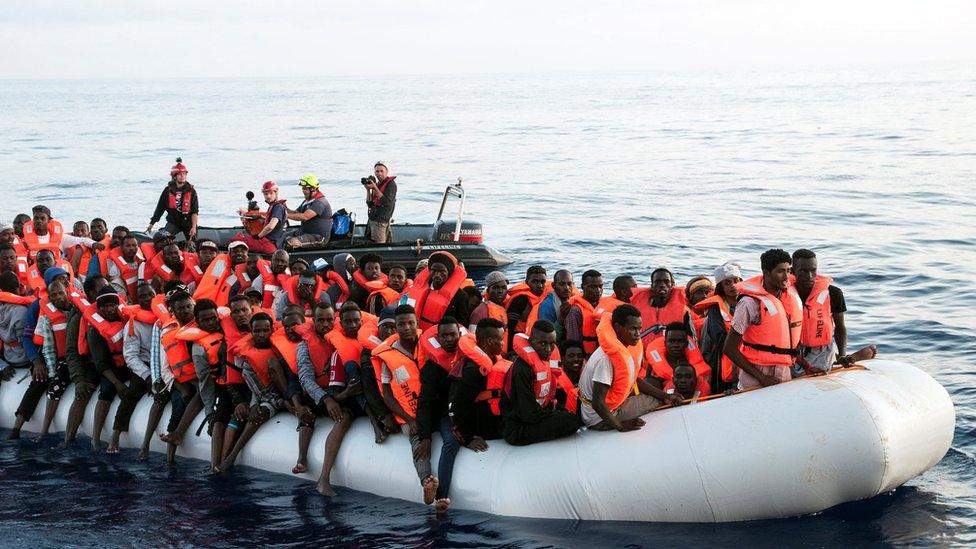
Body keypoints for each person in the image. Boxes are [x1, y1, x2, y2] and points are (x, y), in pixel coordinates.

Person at [412, 317, 490, 513]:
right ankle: (441, 496)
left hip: (463, 411)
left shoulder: (469, 360)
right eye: (444, 336)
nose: (449, 339)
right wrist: (426, 437)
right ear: (438, 338)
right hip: (443, 414)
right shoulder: (432, 368)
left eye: (452, 335)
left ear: (460, 335)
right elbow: (425, 404)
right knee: (451, 442)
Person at [578, 305, 681, 432]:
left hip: (604, 409)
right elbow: (597, 403)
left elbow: (633, 379)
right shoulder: (605, 360)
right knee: (655, 400)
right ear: (617, 327)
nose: (638, 334)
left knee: (659, 393)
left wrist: (666, 395)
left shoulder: (620, 348)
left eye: (639, 329)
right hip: (597, 419)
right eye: (633, 329)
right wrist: (621, 426)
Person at [316, 303, 379, 496]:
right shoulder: (339, 353)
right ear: (341, 324)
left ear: (362, 322)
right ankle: (324, 478)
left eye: (356, 321)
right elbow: (337, 395)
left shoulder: (373, 344)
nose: (353, 325)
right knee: (342, 420)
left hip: (375, 397)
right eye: (348, 322)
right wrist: (349, 393)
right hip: (351, 399)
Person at [181, 299, 251, 468]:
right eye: (205, 320)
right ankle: (215, 465)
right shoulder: (199, 349)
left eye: (213, 318)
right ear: (198, 322)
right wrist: (208, 411)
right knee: (219, 419)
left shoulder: (243, 329)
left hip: (248, 384)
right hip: (226, 385)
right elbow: (205, 383)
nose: (211, 323)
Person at [218, 312, 290, 472]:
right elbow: (261, 392)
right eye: (257, 331)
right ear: (251, 331)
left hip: (287, 394)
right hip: (265, 397)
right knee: (253, 415)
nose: (262, 335)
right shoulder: (248, 363)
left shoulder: (281, 350)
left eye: (265, 330)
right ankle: (229, 457)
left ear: (272, 330)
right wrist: (280, 402)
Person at [723, 249, 803, 390]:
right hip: (756, 375)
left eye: (788, 271)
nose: (786, 276)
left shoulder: (787, 297)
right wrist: (761, 377)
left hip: (783, 371)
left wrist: (808, 367)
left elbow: (787, 347)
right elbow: (729, 348)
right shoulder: (749, 303)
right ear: (766, 272)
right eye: (780, 271)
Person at [791, 249, 877, 375]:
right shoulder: (785, 294)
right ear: (793, 271)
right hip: (792, 351)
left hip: (821, 351)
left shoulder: (834, 293)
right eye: (803, 271)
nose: (809, 276)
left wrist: (842, 354)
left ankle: (843, 358)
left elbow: (840, 327)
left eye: (813, 270)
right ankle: (848, 357)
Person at [85, 287, 146, 453]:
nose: (109, 309)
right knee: (106, 391)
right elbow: (101, 363)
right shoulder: (95, 331)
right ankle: (95, 438)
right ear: (99, 308)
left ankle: (120, 429)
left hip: (129, 363)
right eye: (104, 306)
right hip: (110, 368)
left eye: (113, 305)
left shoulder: (127, 320)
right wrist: (117, 383)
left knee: (135, 388)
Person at [499, 320, 580, 445]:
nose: (548, 349)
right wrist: (555, 415)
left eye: (552, 344)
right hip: (518, 428)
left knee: (572, 415)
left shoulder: (545, 361)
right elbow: (528, 413)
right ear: (531, 342)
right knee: (571, 421)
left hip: (536, 415)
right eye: (543, 343)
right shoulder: (522, 369)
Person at [13, 278, 75, 441]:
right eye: (53, 295)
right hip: (54, 357)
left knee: (54, 383)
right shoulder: (44, 314)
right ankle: (17, 429)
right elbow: (46, 347)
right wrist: (41, 364)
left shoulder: (78, 309)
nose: (58, 297)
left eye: (60, 293)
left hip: (75, 357)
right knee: (38, 382)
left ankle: (45, 431)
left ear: (67, 291)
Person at [58, 275, 109, 449]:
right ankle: (68, 440)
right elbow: (71, 351)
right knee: (82, 394)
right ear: (91, 293)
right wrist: (78, 379)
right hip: (91, 365)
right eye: (101, 289)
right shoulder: (79, 316)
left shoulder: (113, 307)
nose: (107, 291)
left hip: (112, 362)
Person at [448, 317, 510, 453]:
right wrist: (467, 439)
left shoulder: (493, 360)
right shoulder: (474, 370)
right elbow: (457, 407)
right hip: (483, 426)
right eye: (500, 339)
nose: (503, 343)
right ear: (489, 341)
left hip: (495, 416)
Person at [294, 302, 338, 472]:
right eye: (321, 320)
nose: (326, 324)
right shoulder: (304, 346)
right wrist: (326, 399)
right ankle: (301, 458)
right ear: (313, 321)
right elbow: (306, 379)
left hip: (339, 391)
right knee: (307, 413)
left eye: (329, 320)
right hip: (318, 395)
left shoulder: (340, 339)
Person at [121, 282, 159, 457]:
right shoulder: (133, 324)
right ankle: (116, 432)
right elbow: (130, 356)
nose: (147, 299)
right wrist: (148, 375)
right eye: (142, 296)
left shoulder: (166, 316)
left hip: (162, 364)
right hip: (142, 365)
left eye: (150, 295)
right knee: (133, 390)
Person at [696, 262, 743, 393]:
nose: (733, 285)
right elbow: (720, 340)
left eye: (735, 281)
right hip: (721, 360)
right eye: (727, 283)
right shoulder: (715, 309)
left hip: (747, 356)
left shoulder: (749, 301)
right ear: (721, 287)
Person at [401, 251, 470, 330]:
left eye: (442, 271)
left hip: (444, 338)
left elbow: (463, 325)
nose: (437, 274)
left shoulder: (461, 296)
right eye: (434, 270)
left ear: (449, 273)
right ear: (429, 270)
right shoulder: (416, 290)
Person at [644, 322, 712, 397]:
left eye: (679, 341)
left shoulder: (695, 362)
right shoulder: (653, 367)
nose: (676, 345)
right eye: (671, 341)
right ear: (665, 343)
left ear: (686, 343)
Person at [630, 268, 693, 345]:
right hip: (642, 353)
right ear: (652, 286)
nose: (662, 285)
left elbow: (691, 340)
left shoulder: (684, 311)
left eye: (666, 282)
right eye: (657, 282)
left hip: (671, 354)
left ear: (672, 286)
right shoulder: (635, 310)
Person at [22, 205, 103, 262]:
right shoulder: (25, 239)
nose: (39, 221)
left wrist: (94, 244)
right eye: (36, 218)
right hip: (35, 274)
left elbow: (82, 240)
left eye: (42, 218)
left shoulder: (61, 238)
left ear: (49, 221)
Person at [565, 269, 618, 356]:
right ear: (582, 287)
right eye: (592, 287)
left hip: (606, 354)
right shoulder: (575, 311)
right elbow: (574, 342)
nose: (598, 290)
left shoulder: (605, 305)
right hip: (586, 356)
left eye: (600, 286)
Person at [147, 157, 199, 240]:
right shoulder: (167, 190)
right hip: (173, 222)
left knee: (193, 243)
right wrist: (151, 224)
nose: (183, 176)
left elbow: (195, 211)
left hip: (188, 222)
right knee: (162, 238)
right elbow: (160, 208)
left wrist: (193, 227)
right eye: (180, 174)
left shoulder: (191, 191)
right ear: (174, 176)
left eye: (184, 174)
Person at [231, 180, 288, 254]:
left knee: (235, 240)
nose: (268, 196)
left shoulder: (278, 207)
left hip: (269, 244)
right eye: (266, 194)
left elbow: (271, 226)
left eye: (271, 193)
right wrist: (261, 217)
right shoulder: (275, 206)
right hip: (272, 243)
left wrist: (259, 236)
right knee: (243, 237)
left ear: (276, 193)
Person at [505, 266, 549, 349]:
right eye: (535, 282)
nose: (540, 285)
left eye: (542, 282)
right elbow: (509, 329)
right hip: (520, 342)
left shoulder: (546, 297)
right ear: (527, 282)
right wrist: (510, 351)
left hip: (539, 341)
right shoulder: (520, 300)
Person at [0, 272, 31, 385]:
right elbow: (24, 341)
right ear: (19, 287)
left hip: (8, 355)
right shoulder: (22, 310)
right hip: (23, 358)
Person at [286, 174, 333, 247]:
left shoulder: (320, 202)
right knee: (280, 236)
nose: (303, 191)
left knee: (291, 242)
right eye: (302, 188)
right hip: (304, 233)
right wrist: (284, 208)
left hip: (318, 237)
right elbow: (296, 213)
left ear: (313, 189)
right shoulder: (308, 201)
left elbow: (305, 217)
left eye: (305, 189)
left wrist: (285, 216)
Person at [467, 271, 508, 349]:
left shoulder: (505, 306)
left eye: (504, 287)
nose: (500, 291)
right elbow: (473, 339)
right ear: (488, 290)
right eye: (496, 287)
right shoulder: (480, 312)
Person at [534, 269, 575, 341]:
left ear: (573, 285)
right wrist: (561, 317)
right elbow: (546, 338)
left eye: (569, 284)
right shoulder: (547, 306)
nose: (566, 288)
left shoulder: (575, 300)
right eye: (562, 284)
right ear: (553, 285)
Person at [104, 233, 144, 300]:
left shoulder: (142, 263)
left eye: (134, 245)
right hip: (126, 297)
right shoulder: (115, 268)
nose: (131, 248)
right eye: (128, 246)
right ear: (122, 248)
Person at [365, 161, 397, 244]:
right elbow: (369, 204)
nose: (379, 173)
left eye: (381, 171)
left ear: (387, 171)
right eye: (377, 171)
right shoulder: (378, 184)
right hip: (372, 220)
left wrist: (375, 188)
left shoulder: (391, 184)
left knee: (379, 245)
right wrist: (368, 190)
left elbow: (386, 202)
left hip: (381, 222)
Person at [685, 274, 714, 339]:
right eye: (699, 293)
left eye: (707, 293)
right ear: (691, 296)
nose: (704, 296)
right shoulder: (685, 313)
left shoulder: (714, 311)